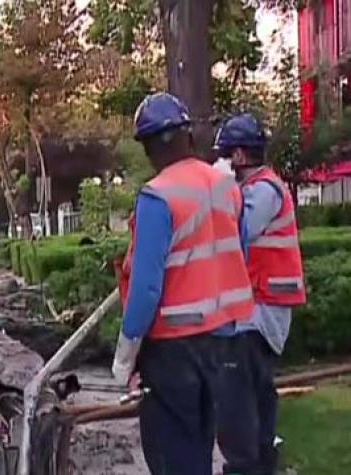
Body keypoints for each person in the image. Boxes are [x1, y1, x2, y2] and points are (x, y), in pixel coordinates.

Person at [111, 92, 255, 475]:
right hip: (225, 341)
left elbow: (146, 289)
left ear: (149, 147)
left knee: (174, 455)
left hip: (175, 352)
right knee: (204, 446)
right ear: (187, 135)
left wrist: (125, 354)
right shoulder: (228, 189)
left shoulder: (157, 196)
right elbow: (237, 255)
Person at [214, 113, 307, 475]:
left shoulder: (264, 191)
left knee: (237, 408)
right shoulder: (255, 189)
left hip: (259, 315)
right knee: (255, 400)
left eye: (224, 156)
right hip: (255, 311)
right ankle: (261, 464)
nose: (222, 163)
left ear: (239, 156)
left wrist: (220, 191)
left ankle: (246, 468)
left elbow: (235, 233)